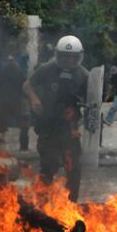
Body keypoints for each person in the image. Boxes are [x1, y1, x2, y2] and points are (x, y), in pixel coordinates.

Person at [22, 35, 89, 202]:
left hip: (69, 129)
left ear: (79, 56)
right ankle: (42, 204)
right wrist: (34, 98)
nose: (69, 60)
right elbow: (27, 85)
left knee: (73, 168)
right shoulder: (47, 68)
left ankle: (71, 204)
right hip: (48, 127)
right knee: (48, 166)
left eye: (73, 57)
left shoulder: (84, 75)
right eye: (65, 57)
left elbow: (93, 101)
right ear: (58, 55)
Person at [0, 52, 29, 150]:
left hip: (10, 98)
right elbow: (23, 84)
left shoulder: (6, 71)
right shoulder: (16, 72)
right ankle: (22, 140)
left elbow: (23, 84)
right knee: (6, 118)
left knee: (9, 118)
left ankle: (21, 139)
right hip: (12, 98)